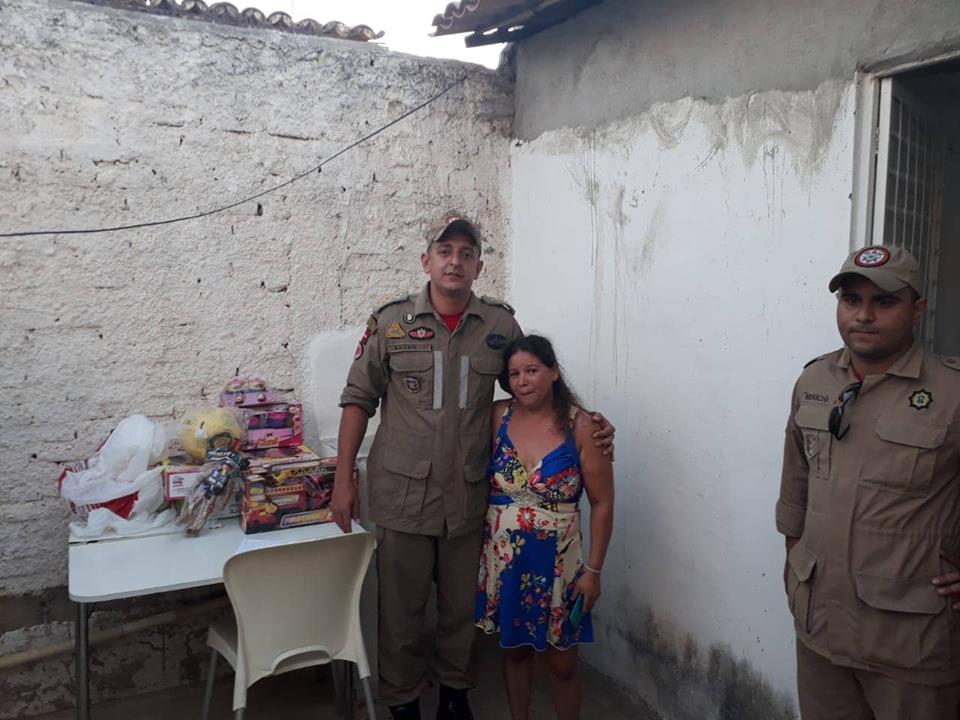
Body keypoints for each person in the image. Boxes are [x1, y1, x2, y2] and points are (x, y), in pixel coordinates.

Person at [331, 213, 615, 720]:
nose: (455, 262)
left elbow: (532, 385)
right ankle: (402, 701)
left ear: (479, 266)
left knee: (461, 609)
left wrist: (584, 421)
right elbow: (358, 400)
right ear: (427, 261)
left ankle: (455, 694)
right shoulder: (392, 323)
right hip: (403, 495)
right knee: (401, 611)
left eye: (466, 253)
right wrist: (343, 478)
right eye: (445, 252)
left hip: (469, 497)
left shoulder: (500, 326)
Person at [777, 244, 960, 719]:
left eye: (885, 301)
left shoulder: (951, 392)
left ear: (917, 309)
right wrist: (794, 559)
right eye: (851, 300)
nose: (863, 315)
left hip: (909, 639)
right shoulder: (814, 381)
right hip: (820, 627)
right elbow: (796, 483)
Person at [476, 335, 614, 720]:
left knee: (562, 664)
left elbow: (603, 503)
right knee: (515, 653)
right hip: (506, 561)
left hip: (560, 565)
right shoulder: (497, 416)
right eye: (515, 374)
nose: (523, 381)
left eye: (532, 370)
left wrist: (594, 571)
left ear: (554, 372)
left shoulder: (582, 426)